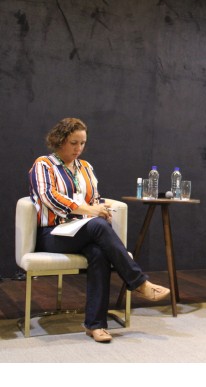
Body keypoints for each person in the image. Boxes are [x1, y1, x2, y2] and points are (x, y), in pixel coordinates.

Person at [29, 118, 170, 343]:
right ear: (60, 140)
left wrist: (100, 208)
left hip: (83, 230)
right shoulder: (44, 164)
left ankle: (95, 325)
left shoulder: (86, 167)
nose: (79, 148)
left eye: (83, 143)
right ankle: (139, 282)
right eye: (74, 143)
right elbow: (49, 197)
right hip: (53, 233)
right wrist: (90, 210)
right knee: (96, 225)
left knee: (98, 252)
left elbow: (94, 199)